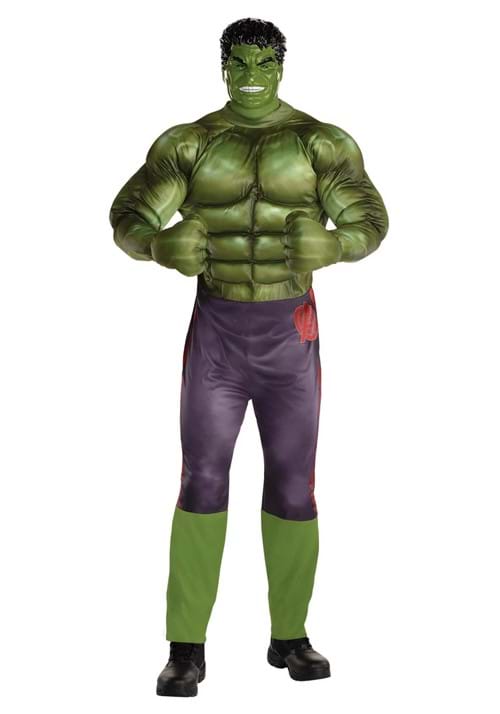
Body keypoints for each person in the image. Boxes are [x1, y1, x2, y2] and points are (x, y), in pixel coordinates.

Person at [109, 17, 389, 697]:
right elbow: (129, 216)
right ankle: (185, 648)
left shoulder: (320, 142)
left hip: (291, 331)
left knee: (294, 484)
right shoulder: (191, 143)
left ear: (281, 66)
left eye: (264, 61)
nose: (252, 73)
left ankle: (290, 636)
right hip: (218, 331)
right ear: (223, 67)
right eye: (239, 61)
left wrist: (338, 245)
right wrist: (155, 245)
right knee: (201, 481)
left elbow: (370, 220)